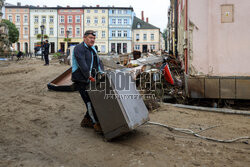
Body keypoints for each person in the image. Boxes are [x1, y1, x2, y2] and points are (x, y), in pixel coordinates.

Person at [71, 30, 104, 132]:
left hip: (91, 79)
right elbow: (82, 65)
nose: (92, 40)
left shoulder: (93, 49)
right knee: (89, 102)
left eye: (94, 38)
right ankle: (95, 124)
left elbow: (99, 62)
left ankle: (86, 120)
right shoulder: (78, 48)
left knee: (94, 101)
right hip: (81, 80)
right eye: (90, 38)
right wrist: (89, 76)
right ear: (84, 38)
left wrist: (102, 72)